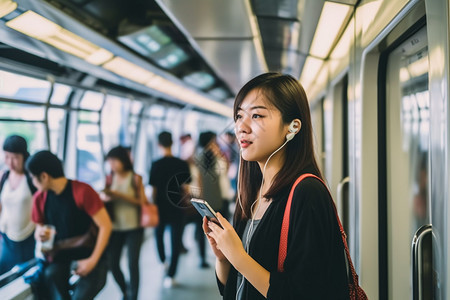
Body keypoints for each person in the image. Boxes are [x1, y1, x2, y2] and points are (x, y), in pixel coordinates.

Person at [203, 73, 350, 299]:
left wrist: (239, 257)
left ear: (292, 127)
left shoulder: (307, 193)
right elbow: (236, 288)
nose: (241, 127)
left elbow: (305, 293)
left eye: (257, 115)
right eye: (239, 116)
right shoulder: (252, 192)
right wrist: (224, 258)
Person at [27, 150, 112, 300]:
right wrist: (39, 233)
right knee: (51, 278)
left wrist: (92, 261)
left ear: (44, 176)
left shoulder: (83, 191)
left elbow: (106, 226)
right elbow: (39, 227)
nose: (32, 182)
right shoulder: (39, 198)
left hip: (90, 256)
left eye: (33, 177)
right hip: (61, 258)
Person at [101, 146, 146, 300]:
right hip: (115, 227)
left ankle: (133, 296)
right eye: (109, 161)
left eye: (114, 161)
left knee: (132, 263)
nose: (112, 165)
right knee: (113, 263)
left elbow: (142, 202)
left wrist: (120, 195)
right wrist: (107, 197)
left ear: (123, 160)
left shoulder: (135, 178)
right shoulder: (109, 178)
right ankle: (125, 290)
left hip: (134, 227)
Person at [149, 131, 191, 288]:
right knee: (175, 241)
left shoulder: (155, 164)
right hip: (177, 206)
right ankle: (171, 275)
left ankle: (162, 262)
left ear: (159, 145)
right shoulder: (181, 164)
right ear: (172, 143)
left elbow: (153, 189)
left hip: (160, 206)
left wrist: (153, 205)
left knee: (158, 235)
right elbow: (186, 188)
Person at [0, 135, 36, 274]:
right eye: (7, 157)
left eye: (15, 157)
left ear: (24, 156)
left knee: (25, 274)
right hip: (6, 236)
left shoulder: (32, 178)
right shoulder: (5, 177)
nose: (10, 162)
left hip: (27, 237)